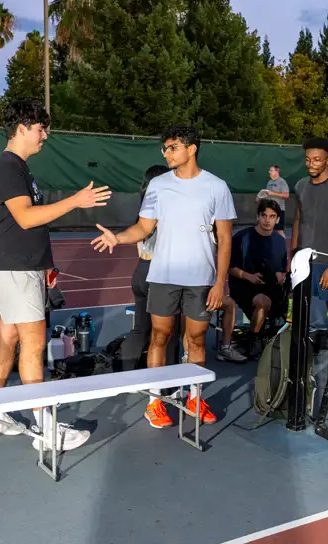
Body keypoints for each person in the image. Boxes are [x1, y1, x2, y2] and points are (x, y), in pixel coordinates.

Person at [0, 100, 108, 451]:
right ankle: (45, 430)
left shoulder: (16, 167)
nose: (45, 135)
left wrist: (44, 265)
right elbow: (25, 217)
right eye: (40, 129)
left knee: (9, 337)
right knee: (34, 344)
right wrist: (75, 201)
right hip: (17, 268)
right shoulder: (8, 167)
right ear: (21, 128)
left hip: (21, 265)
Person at [92, 125, 235, 428]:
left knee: (196, 338)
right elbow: (144, 228)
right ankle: (155, 402)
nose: (166, 153)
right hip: (163, 276)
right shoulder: (158, 185)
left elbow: (225, 238)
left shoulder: (217, 187)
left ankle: (194, 396)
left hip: (201, 279)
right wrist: (118, 238)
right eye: (165, 148)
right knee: (160, 335)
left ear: (191, 148)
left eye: (172, 147)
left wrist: (220, 282)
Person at [119, 165, 182, 371]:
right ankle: (169, 383)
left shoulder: (143, 209)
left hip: (141, 270)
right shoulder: (167, 208)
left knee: (140, 329)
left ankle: (126, 373)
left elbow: (139, 245)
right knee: (167, 332)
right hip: (159, 273)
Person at [291, 137, 328, 336]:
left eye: (316, 159)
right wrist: (293, 255)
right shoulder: (300, 186)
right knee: (300, 306)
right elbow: (298, 221)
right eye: (308, 159)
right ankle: (300, 347)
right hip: (304, 261)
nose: (311, 164)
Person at [228, 199, 288, 359]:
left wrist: (280, 275)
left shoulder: (280, 241)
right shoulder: (242, 237)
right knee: (263, 302)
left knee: (292, 297)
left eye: (272, 216)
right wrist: (248, 276)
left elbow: (282, 269)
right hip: (242, 285)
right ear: (258, 216)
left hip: (269, 286)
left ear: (277, 219)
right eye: (264, 215)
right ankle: (253, 340)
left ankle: (278, 336)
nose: (267, 220)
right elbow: (230, 267)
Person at [258, 165, 290, 238]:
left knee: (279, 230)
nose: (269, 172)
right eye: (269, 171)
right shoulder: (269, 182)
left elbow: (286, 195)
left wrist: (272, 193)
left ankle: (283, 247)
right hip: (268, 210)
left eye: (271, 170)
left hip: (278, 209)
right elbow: (267, 194)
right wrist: (261, 197)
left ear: (277, 171)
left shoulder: (282, 182)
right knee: (268, 230)